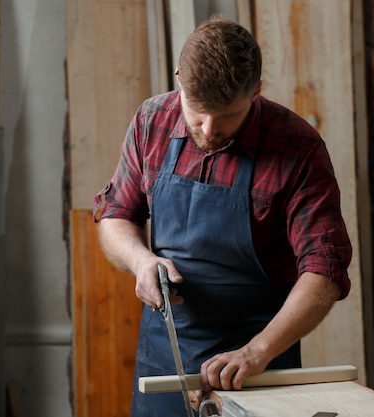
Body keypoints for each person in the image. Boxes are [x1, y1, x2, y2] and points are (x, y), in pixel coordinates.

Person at [93, 16, 352, 417]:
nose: (210, 129)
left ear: (257, 92)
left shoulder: (297, 146)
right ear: (179, 78)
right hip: (165, 359)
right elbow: (116, 214)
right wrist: (140, 261)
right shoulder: (152, 120)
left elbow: (325, 269)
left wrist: (258, 351)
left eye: (228, 115)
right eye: (197, 112)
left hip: (256, 364)